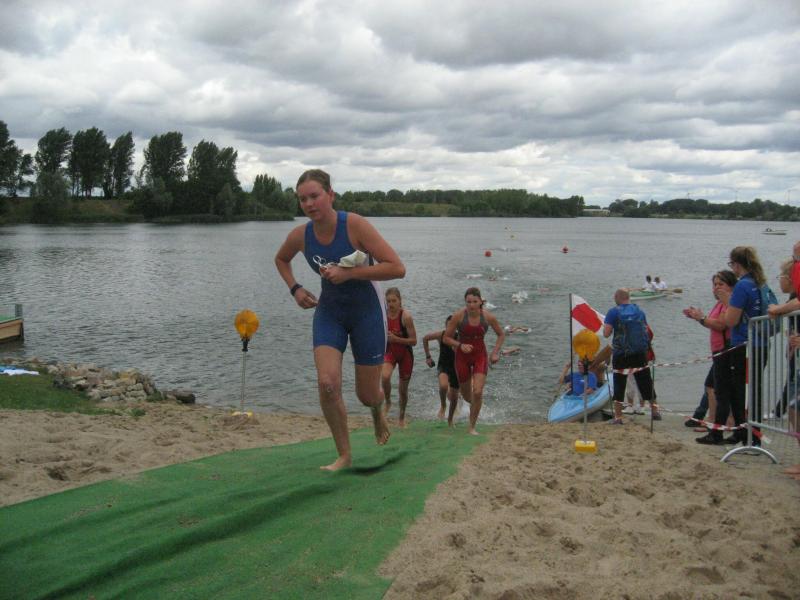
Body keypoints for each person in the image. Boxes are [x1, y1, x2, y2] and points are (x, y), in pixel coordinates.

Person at [274, 169, 405, 471]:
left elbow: (397, 268)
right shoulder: (301, 235)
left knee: (367, 395)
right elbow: (281, 259)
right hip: (330, 312)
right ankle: (344, 456)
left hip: (366, 312)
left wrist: (350, 273)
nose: (309, 204)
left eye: (315, 196)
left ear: (331, 195)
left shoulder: (354, 225)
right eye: (303, 199)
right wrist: (295, 289)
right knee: (327, 383)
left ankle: (377, 411)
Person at [714, 247, 770, 446]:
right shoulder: (761, 283)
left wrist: (726, 301)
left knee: (740, 390)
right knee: (754, 388)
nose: (732, 268)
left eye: (732, 264)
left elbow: (731, 320)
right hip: (762, 342)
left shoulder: (742, 285)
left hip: (744, 344)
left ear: (737, 264)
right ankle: (747, 433)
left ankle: (749, 435)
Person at [684, 270, 737, 443]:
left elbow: (721, 325)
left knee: (718, 389)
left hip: (726, 350)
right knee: (711, 386)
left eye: (721, 284)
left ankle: (721, 423)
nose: (716, 288)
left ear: (731, 286)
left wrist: (701, 318)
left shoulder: (729, 303)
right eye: (715, 285)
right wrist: (698, 317)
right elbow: (713, 322)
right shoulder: (720, 304)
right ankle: (714, 421)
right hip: (718, 350)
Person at [443, 287, 505, 435]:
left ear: (480, 302)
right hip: (462, 357)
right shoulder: (458, 316)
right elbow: (446, 338)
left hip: (480, 356)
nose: (471, 305)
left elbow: (501, 334)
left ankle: (472, 426)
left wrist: (495, 353)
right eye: (468, 302)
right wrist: (460, 345)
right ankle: (475, 406)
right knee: (467, 396)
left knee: (477, 391)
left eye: (474, 302)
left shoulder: (488, 317)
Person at [603, 289, 659, 424]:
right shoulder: (639, 311)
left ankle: (618, 417)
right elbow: (646, 331)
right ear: (628, 297)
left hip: (621, 354)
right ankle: (655, 411)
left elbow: (606, 333)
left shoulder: (613, 312)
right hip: (639, 353)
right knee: (646, 381)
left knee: (619, 384)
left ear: (617, 297)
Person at [382, 287, 417, 428]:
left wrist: (396, 339)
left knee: (403, 391)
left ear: (400, 301)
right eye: (388, 301)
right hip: (390, 352)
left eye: (394, 301)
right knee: (385, 377)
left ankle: (401, 417)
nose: (391, 304)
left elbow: (414, 341)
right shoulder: (383, 314)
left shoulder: (406, 317)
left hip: (405, 355)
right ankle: (388, 401)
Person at [423, 316, 460, 424]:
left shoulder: (459, 337)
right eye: (448, 326)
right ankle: (443, 406)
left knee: (455, 395)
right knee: (443, 386)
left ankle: (456, 408)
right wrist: (428, 357)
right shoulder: (441, 335)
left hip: (456, 367)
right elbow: (425, 338)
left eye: (453, 327)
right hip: (443, 365)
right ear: (445, 326)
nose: (450, 329)